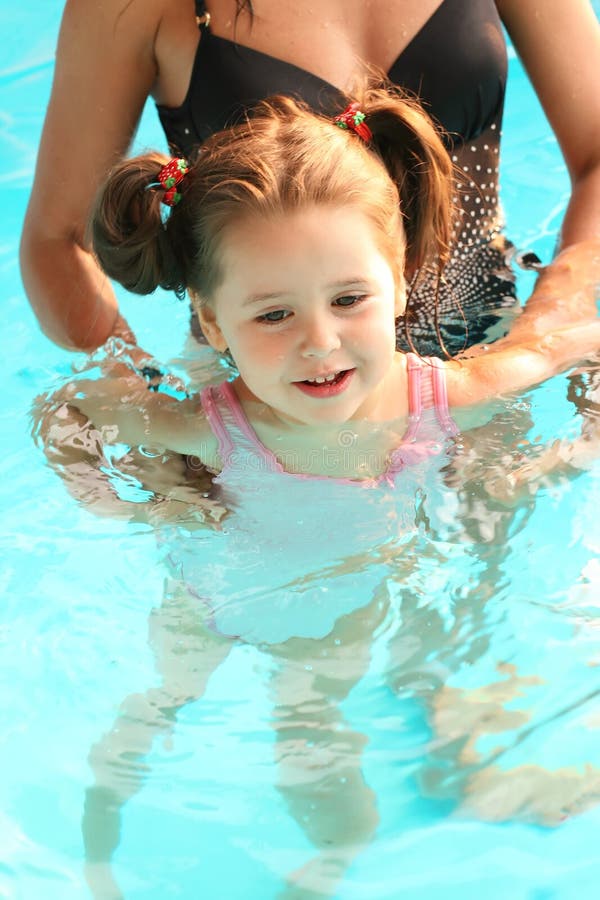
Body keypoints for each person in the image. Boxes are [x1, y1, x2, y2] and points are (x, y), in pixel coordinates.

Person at [42, 84, 600, 897]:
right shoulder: (214, 426)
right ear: (209, 318)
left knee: (322, 748)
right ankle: (91, 861)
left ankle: (327, 865)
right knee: (154, 711)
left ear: (402, 281)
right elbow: (72, 407)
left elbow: (570, 344)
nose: (319, 342)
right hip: (211, 600)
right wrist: (112, 493)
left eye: (348, 300)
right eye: (272, 315)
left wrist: (576, 441)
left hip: (343, 606)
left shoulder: (443, 392)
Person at [19, 0, 600, 359]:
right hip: (264, 399)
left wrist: (548, 327)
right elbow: (58, 238)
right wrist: (137, 392)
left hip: (489, 335)